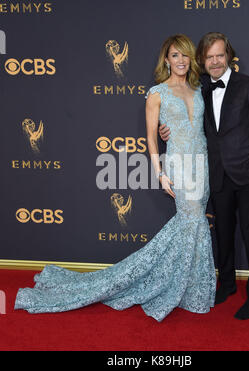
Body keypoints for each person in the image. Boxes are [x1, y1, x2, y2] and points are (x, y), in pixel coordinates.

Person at [14, 34, 216, 322]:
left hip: (203, 164)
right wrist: (160, 173)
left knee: (193, 225)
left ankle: (190, 288)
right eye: (175, 55)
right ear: (166, 60)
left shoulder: (200, 88)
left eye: (185, 55)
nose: (181, 60)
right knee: (192, 220)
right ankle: (176, 287)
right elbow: (150, 137)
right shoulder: (157, 93)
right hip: (179, 165)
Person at [159, 32, 249, 320]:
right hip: (217, 177)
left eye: (219, 55)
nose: (214, 61)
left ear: (229, 57)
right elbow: (187, 124)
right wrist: (166, 131)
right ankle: (226, 285)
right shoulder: (199, 91)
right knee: (223, 236)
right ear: (203, 59)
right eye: (209, 56)